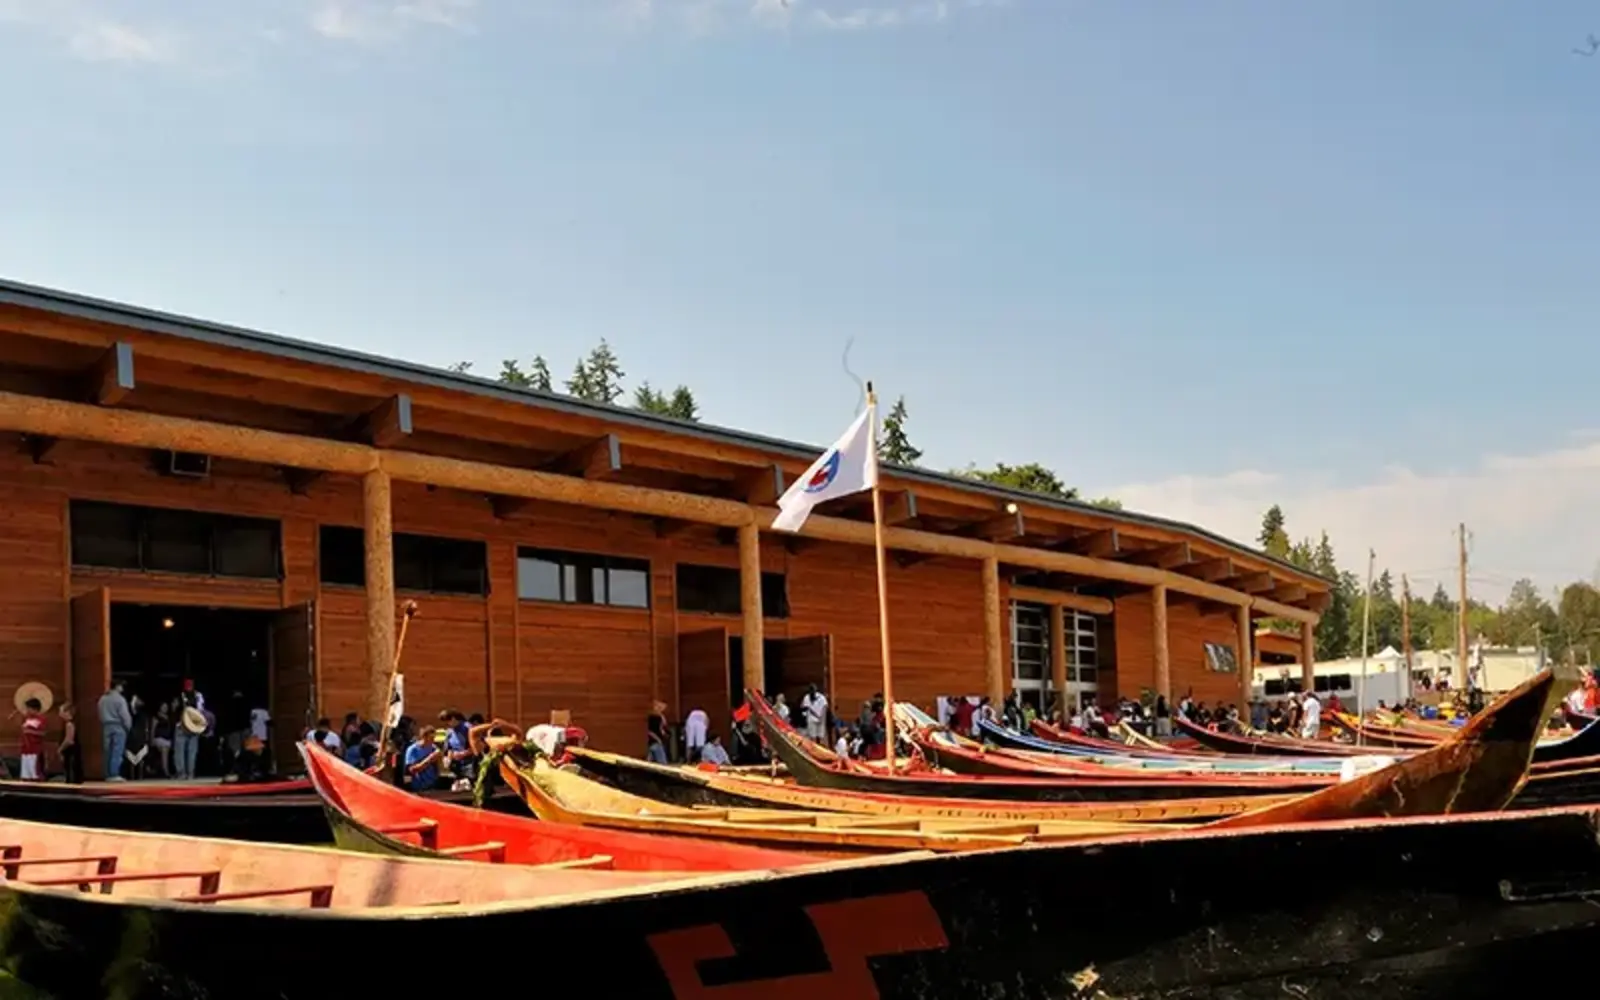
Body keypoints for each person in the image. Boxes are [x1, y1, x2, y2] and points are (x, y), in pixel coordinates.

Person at [97, 680, 132, 781]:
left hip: (106, 726)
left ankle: (107, 774)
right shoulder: (120, 699)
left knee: (107, 750)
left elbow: (100, 713)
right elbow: (125, 715)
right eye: (121, 685)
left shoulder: (102, 699)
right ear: (117, 686)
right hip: (118, 726)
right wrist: (128, 727)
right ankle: (114, 773)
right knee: (117, 750)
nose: (122, 688)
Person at [173, 679, 204, 779]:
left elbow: (174, 709)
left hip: (183, 726)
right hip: (191, 726)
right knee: (191, 751)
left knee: (181, 751)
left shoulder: (181, 696)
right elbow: (201, 711)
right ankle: (190, 773)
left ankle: (182, 773)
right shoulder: (198, 696)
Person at [404, 726, 443, 792]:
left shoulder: (434, 748)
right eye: (431, 738)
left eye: (434, 738)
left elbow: (438, 768)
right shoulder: (412, 750)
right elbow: (412, 770)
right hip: (417, 787)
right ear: (424, 737)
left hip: (432, 786)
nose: (433, 740)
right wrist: (431, 758)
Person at [17, 698, 45, 781]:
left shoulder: (41, 719)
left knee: (34, 772)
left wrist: (30, 731)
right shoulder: (26, 719)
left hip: (35, 749)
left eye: (29, 708)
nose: (27, 710)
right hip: (25, 748)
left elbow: (43, 733)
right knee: (26, 773)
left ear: (34, 709)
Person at [58, 702, 81, 785]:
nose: (59, 713)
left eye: (61, 711)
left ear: (67, 712)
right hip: (69, 752)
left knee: (71, 774)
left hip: (71, 753)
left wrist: (60, 749)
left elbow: (69, 740)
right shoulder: (67, 724)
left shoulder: (69, 724)